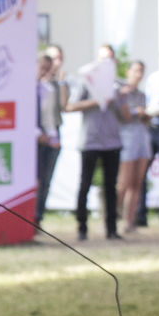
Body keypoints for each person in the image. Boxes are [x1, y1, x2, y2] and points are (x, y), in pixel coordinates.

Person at [65, 53, 123, 240]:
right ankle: (82, 227)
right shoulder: (86, 82)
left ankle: (112, 229)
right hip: (90, 141)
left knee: (111, 186)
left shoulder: (118, 86)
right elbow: (70, 106)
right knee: (85, 183)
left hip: (112, 141)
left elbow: (126, 117)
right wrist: (97, 101)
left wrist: (116, 101)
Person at [114, 60, 151, 234]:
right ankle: (111, 220)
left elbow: (146, 119)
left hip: (142, 138)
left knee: (137, 182)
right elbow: (124, 116)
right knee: (123, 182)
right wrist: (138, 111)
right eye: (136, 70)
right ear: (128, 71)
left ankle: (129, 222)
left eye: (141, 71)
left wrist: (146, 114)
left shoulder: (142, 95)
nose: (139, 74)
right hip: (126, 139)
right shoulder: (121, 92)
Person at [35, 52, 63, 225]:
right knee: (36, 181)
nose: (45, 72)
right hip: (32, 142)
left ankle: (38, 218)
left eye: (48, 68)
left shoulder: (48, 89)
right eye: (42, 67)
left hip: (48, 140)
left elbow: (49, 117)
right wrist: (37, 135)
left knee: (45, 181)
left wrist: (53, 136)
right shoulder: (24, 88)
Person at [138, 60, 159, 227]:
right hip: (150, 127)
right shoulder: (153, 78)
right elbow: (146, 102)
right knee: (140, 172)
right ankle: (140, 214)